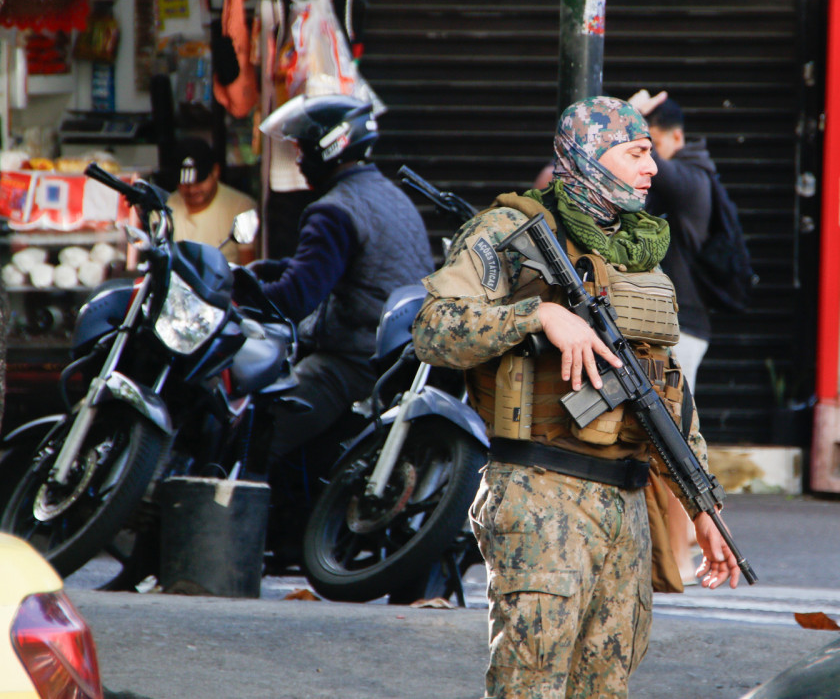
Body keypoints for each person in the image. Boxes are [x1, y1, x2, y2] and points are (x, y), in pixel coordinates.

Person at [412, 96, 739, 698]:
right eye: (636, 153)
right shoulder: (510, 232)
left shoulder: (639, 251)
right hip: (543, 495)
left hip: (626, 504)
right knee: (530, 685)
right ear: (589, 157)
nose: (653, 169)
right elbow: (434, 328)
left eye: (649, 152)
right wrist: (537, 316)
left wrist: (702, 505)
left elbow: (666, 390)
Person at [256, 94, 434, 475]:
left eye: (302, 149)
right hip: (396, 361)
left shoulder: (333, 210)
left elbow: (294, 298)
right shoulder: (391, 196)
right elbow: (355, 269)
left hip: (351, 364)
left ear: (330, 146)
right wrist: (269, 269)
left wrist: (235, 298)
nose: (299, 161)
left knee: (256, 436)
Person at [628, 88, 719, 585]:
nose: (641, 155)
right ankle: (672, 559)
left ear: (675, 138)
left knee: (671, 444)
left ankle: (679, 562)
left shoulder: (691, 179)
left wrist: (625, 119)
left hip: (680, 330)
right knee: (662, 441)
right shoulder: (668, 178)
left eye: (647, 142)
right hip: (663, 324)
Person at [166, 137, 258, 265]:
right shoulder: (167, 208)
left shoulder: (241, 208)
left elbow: (249, 269)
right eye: (185, 183)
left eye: (199, 182)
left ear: (215, 171)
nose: (192, 189)